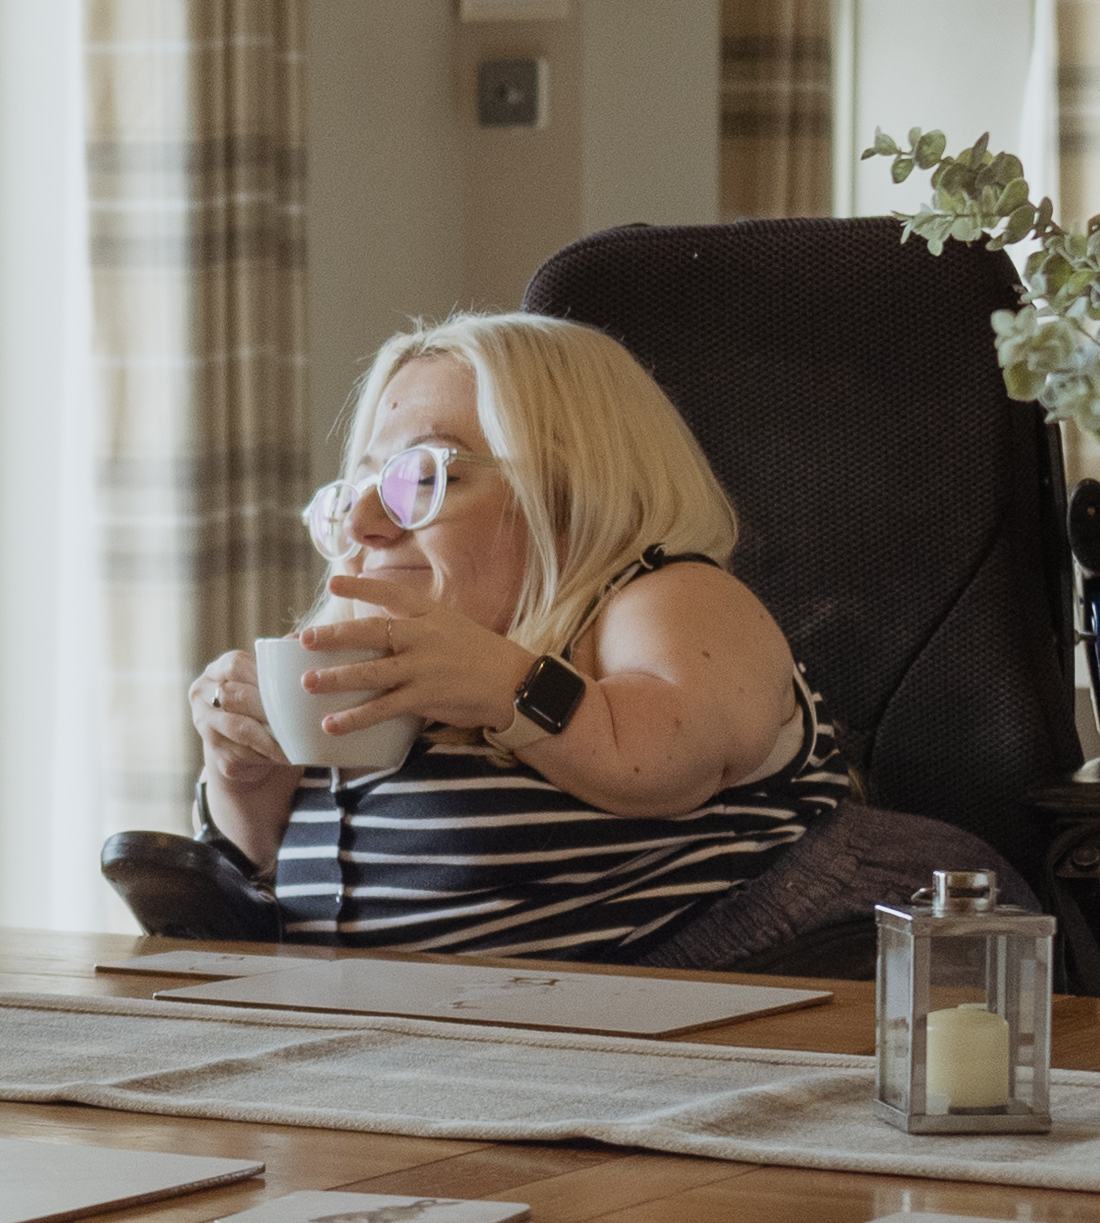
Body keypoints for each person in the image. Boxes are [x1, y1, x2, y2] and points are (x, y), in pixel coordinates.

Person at [184, 312, 1015, 969]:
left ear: (574, 490)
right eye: (354, 488)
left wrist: (507, 687)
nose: (364, 519)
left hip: (723, 1004)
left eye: (420, 478)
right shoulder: (380, 655)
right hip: (424, 1053)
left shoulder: (660, 597)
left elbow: (667, 755)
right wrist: (246, 775)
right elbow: (280, 856)